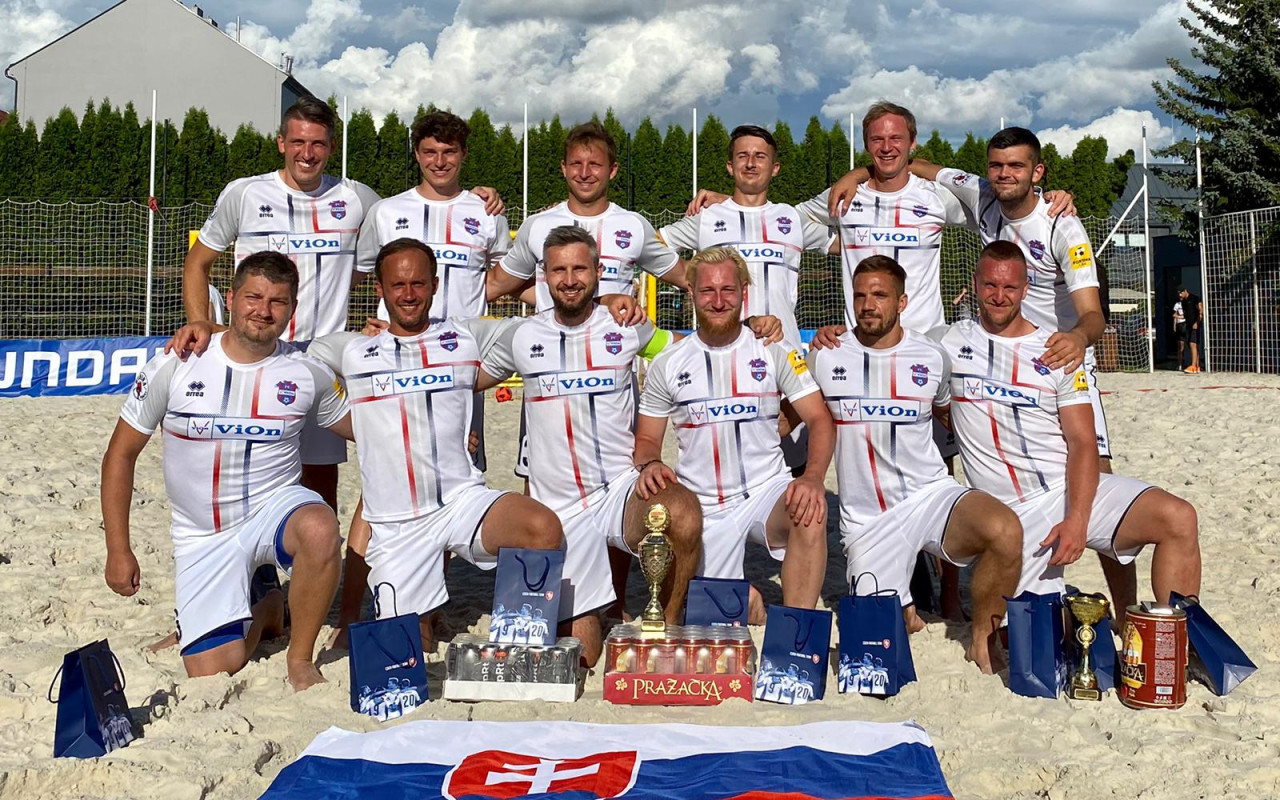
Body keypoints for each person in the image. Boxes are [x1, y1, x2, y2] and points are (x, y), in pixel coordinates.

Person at [102, 252, 352, 690]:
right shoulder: (177, 362)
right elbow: (120, 455)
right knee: (213, 668)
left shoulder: (309, 372)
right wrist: (118, 550)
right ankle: (267, 605)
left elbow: (372, 428)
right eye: (253, 297)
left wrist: (450, 430)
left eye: (278, 301)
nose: (264, 310)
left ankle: (299, 659)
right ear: (231, 299)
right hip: (203, 534)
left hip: (273, 512)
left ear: (292, 309)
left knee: (320, 527)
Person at [306, 239, 566, 652]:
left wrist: (613, 308)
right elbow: (295, 366)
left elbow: (543, 330)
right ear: (379, 290)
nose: (408, 294)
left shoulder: (464, 338)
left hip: (462, 502)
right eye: (397, 285)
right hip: (399, 525)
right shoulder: (350, 351)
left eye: (418, 283)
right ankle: (407, 617)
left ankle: (519, 647)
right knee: (412, 650)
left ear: (435, 285)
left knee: (542, 528)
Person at [477, 225, 711, 667]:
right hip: (556, 508)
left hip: (619, 493)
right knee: (582, 657)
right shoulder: (520, 336)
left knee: (681, 512)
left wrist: (756, 329)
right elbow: (460, 376)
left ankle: (668, 625)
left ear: (599, 272)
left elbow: (689, 351)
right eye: (559, 270)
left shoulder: (627, 328)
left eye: (580, 268)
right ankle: (590, 615)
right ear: (543, 276)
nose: (569, 279)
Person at [936, 242, 1201, 617]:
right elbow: (887, 347)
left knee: (1179, 517)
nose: (999, 296)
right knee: (1029, 644)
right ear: (975, 284)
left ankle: (1172, 646)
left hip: (1067, 491)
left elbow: (1081, 442)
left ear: (1026, 289)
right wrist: (832, 339)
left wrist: (1077, 521)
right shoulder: (948, 341)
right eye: (990, 286)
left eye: (1010, 288)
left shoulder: (1057, 349)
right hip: (1009, 514)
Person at [332, 109, 514, 646]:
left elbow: (509, 276)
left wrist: (475, 319)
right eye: (430, 151)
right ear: (417, 153)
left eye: (450, 152)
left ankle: (427, 612)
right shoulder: (388, 212)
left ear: (463, 155)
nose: (440, 161)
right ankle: (348, 616)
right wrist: (367, 326)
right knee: (384, 490)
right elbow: (363, 275)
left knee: (453, 481)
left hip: (458, 366)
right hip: (397, 359)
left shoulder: (487, 211)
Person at [808, 256, 1022, 672]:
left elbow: (951, 418)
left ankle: (982, 640)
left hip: (929, 496)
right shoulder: (825, 356)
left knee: (1004, 529)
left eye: (880, 295)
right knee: (882, 637)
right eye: (860, 296)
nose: (869, 304)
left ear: (902, 302)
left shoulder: (932, 355)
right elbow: (790, 417)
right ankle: (904, 605)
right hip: (868, 523)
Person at [635, 247, 834, 621]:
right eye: (708, 291)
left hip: (765, 491)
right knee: (700, 614)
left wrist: (812, 478)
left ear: (744, 291)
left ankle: (795, 636)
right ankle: (749, 599)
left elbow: (820, 419)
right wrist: (649, 463)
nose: (718, 300)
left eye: (728, 290)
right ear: (690, 293)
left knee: (809, 511)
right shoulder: (668, 364)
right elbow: (646, 441)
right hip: (701, 505)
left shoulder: (774, 349)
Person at [661, 125, 833, 347]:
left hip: (785, 351)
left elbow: (851, 244)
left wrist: (860, 174)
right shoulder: (708, 218)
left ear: (775, 168)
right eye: (743, 156)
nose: (751, 163)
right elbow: (651, 245)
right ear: (730, 167)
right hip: (723, 351)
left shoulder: (791, 218)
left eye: (760, 156)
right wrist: (692, 277)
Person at [1178, 285, 1204, 372]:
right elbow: (1185, 313)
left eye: (1181, 293)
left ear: (1185, 291)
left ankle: (1193, 366)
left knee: (1193, 344)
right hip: (1188, 325)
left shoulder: (1194, 298)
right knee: (1190, 344)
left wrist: (1197, 322)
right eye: (1179, 294)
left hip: (1195, 324)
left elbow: (1201, 311)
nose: (1180, 295)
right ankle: (1197, 366)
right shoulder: (1183, 302)